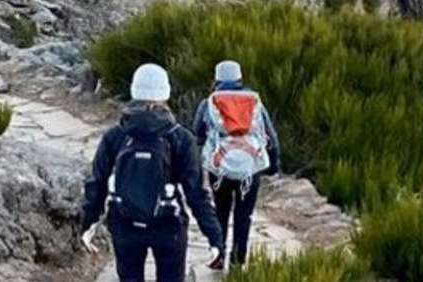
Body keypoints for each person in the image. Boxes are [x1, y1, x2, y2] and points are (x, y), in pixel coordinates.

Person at [80, 63, 224, 282]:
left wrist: (88, 222)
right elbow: (196, 194)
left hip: (124, 223)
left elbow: (96, 183)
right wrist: (214, 237)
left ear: (134, 91)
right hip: (169, 225)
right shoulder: (181, 138)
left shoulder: (115, 136)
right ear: (165, 92)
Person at [191, 60, 280, 271]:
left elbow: (198, 135)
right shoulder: (254, 101)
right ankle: (238, 260)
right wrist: (273, 164)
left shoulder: (209, 103)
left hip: (220, 169)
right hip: (250, 169)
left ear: (217, 80)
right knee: (244, 215)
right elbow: (270, 136)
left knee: (220, 211)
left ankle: (218, 253)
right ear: (240, 79)